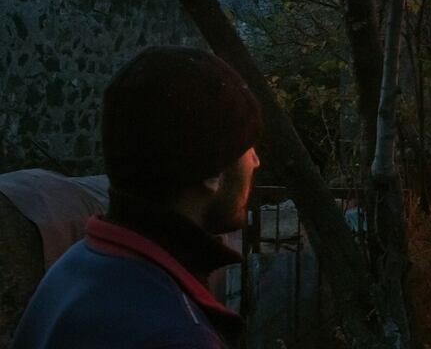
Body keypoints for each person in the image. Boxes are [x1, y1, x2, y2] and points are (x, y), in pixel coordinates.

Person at [12, 46, 263, 349]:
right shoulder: (174, 333)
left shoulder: (74, 268)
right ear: (212, 172)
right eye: (247, 148)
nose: (256, 161)